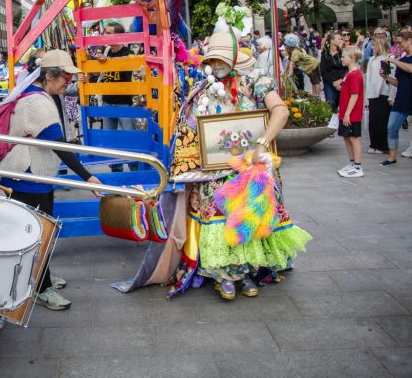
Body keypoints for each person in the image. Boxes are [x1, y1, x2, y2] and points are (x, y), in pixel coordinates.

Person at [122, 28, 311, 300]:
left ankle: (247, 271)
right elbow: (191, 127)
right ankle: (226, 275)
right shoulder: (204, 88)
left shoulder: (256, 80)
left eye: (221, 60)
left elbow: (280, 111)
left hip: (251, 168)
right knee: (220, 221)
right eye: (212, 61)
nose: (216, 66)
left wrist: (262, 143)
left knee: (250, 217)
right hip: (216, 172)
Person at [0, 49, 102, 310]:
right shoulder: (39, 102)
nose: (69, 81)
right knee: (38, 232)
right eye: (66, 76)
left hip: (30, 173)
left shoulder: (35, 92)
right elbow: (60, 145)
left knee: (40, 230)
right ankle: (41, 287)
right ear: (50, 76)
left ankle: (41, 274)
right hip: (28, 175)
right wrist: (88, 177)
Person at [96, 21, 135, 172]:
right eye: (105, 33)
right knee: (110, 141)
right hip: (107, 102)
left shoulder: (128, 53)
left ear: (118, 36)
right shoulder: (105, 52)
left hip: (124, 103)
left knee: (129, 139)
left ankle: (135, 173)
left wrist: (111, 62)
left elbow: (132, 69)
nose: (105, 36)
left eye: (109, 33)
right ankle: (116, 171)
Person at [380, 29, 412, 166]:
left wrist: (394, 60)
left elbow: (411, 69)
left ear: (409, 40)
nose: (398, 45)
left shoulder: (401, 61)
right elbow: (399, 83)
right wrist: (386, 77)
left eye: (400, 42)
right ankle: (392, 157)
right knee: (391, 126)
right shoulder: (402, 60)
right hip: (402, 98)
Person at [337, 46, 365, 178]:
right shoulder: (349, 74)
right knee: (347, 137)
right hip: (345, 112)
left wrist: (347, 113)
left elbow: (355, 95)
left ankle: (358, 166)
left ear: (352, 58)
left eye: (344, 56)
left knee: (354, 138)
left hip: (352, 114)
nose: (341, 58)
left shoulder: (355, 75)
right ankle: (353, 162)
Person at [365, 35, 393, 154]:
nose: (372, 47)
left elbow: (391, 77)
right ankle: (374, 144)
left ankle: (382, 145)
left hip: (384, 93)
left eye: (374, 45)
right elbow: (369, 78)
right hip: (372, 93)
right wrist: (367, 97)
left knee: (382, 121)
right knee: (372, 121)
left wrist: (391, 96)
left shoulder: (388, 58)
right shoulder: (371, 59)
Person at [320, 31, 349, 113]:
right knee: (331, 103)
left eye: (341, 38)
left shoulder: (342, 53)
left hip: (342, 81)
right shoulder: (325, 54)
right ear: (332, 41)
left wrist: (340, 80)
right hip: (329, 82)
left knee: (342, 103)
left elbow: (347, 68)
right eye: (339, 39)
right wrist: (333, 82)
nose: (341, 40)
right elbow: (323, 71)